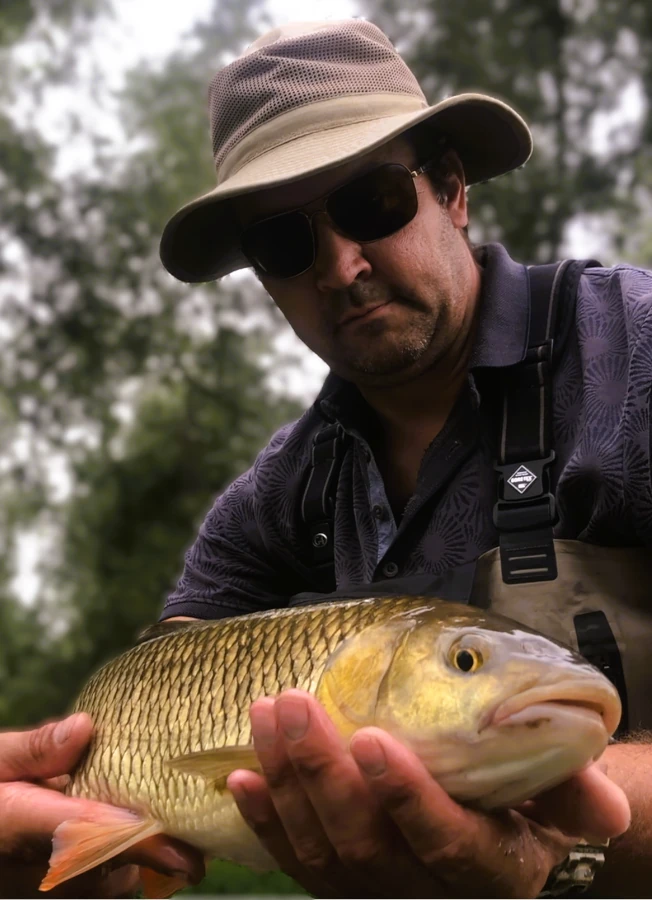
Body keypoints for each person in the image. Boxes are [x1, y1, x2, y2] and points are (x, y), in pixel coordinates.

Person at [2, 16, 650, 898]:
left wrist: (559, 836)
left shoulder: (633, 350)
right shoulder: (275, 498)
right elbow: (165, 691)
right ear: (264, 280)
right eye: (285, 242)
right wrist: (95, 843)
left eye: (371, 202)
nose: (341, 266)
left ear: (452, 189)